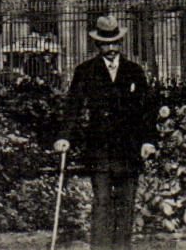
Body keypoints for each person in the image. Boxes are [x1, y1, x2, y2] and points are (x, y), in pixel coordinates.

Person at [53, 15, 158, 250]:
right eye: (105, 44)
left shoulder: (134, 71)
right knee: (101, 201)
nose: (110, 49)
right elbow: (73, 107)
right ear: (97, 45)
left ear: (120, 43)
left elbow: (147, 111)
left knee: (126, 203)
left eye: (114, 43)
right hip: (99, 148)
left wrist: (148, 141)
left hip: (129, 149)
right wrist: (64, 136)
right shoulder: (86, 71)